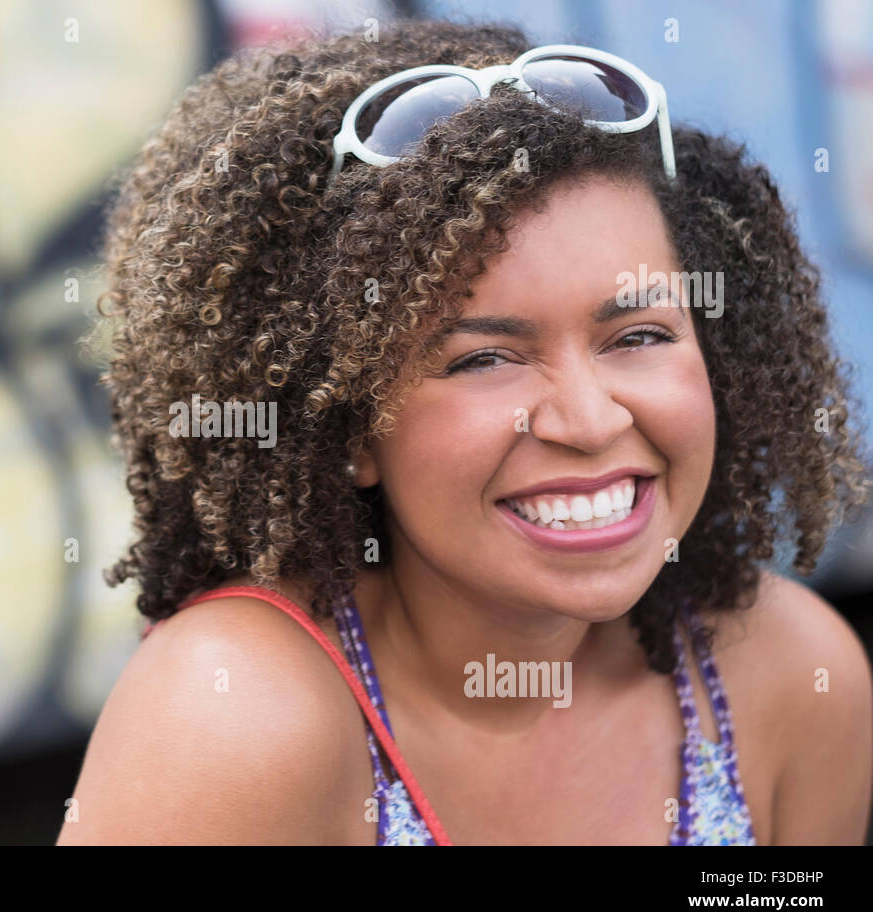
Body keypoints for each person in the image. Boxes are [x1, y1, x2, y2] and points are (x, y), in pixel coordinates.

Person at [58, 19, 873, 845]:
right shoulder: (236, 718)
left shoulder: (790, 676)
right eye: (485, 358)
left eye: (638, 336)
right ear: (352, 431)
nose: (590, 421)